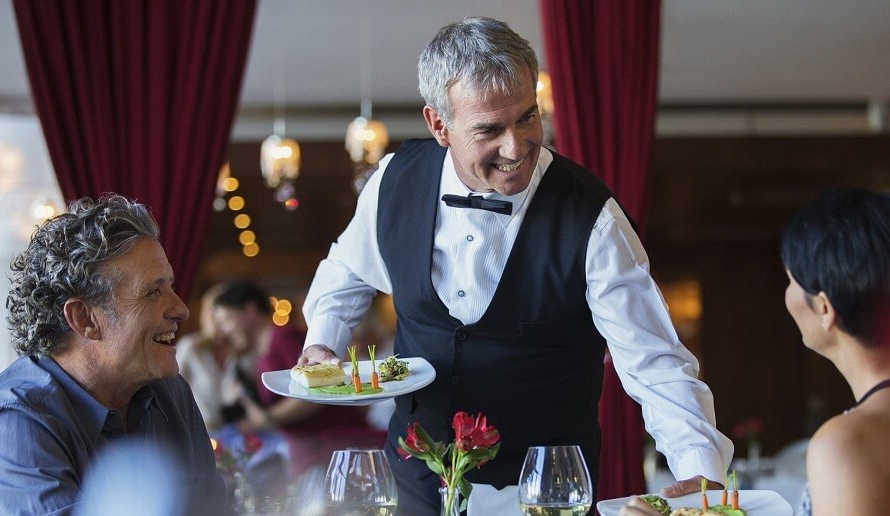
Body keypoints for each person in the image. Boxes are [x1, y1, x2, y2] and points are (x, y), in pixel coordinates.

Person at [298, 16, 732, 513]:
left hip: (550, 489)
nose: (516, 146)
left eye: (527, 117)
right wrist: (321, 343)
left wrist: (700, 468)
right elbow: (346, 272)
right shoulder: (394, 182)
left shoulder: (593, 217)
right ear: (439, 125)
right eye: (489, 129)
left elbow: (654, 360)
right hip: (415, 484)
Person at [0, 194, 226, 515]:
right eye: (153, 291)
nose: (181, 309)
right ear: (85, 319)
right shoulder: (16, 424)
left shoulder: (171, 391)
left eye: (170, 285)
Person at [210, 280, 378, 477]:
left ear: (250, 310)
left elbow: (316, 390)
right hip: (308, 450)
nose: (224, 331)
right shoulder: (263, 349)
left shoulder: (284, 337)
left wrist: (268, 419)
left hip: (333, 447)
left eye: (227, 320)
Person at [175, 281, 257, 433]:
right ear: (208, 315)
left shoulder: (241, 351)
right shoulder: (191, 347)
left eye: (227, 317)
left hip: (237, 433)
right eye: (217, 316)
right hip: (198, 433)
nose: (222, 324)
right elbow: (172, 395)